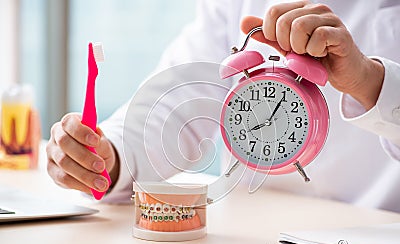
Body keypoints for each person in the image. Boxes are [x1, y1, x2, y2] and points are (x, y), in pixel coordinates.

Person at [46, 0, 400, 211]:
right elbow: (176, 99)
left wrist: (370, 81)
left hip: (376, 239)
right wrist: (108, 156)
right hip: (252, 238)